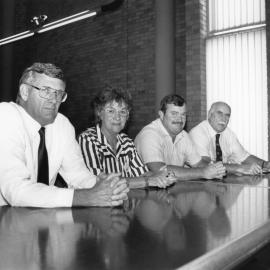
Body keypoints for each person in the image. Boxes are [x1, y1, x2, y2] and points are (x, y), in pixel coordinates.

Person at [0, 63, 129, 208]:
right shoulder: (5, 115)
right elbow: (16, 191)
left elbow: (78, 175)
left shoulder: (62, 124)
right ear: (25, 92)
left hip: (41, 217)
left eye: (59, 93)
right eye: (46, 90)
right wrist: (87, 196)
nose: (54, 99)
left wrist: (104, 186)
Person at [78, 87, 175, 189]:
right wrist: (147, 181)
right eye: (111, 111)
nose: (117, 117)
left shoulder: (126, 142)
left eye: (123, 112)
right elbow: (99, 182)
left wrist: (164, 176)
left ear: (127, 116)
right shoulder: (88, 139)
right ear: (99, 113)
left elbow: (142, 174)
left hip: (125, 201)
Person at [134, 94, 226, 180]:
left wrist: (215, 169)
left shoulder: (183, 135)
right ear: (161, 115)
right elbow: (160, 170)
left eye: (183, 114)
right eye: (174, 114)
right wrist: (203, 172)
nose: (180, 119)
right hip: (142, 192)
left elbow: (198, 163)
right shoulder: (150, 134)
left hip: (169, 191)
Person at [189, 101, 270, 175]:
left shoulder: (228, 133)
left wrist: (265, 164)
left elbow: (244, 157)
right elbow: (204, 164)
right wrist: (238, 168)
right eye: (219, 113)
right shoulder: (198, 132)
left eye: (227, 115)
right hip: (196, 184)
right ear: (210, 114)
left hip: (219, 182)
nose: (224, 118)